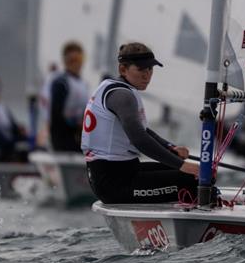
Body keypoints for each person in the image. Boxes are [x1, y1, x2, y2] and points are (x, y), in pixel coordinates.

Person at [81, 42, 199, 204]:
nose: (147, 75)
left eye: (150, 69)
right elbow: (139, 140)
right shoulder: (123, 96)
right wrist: (181, 165)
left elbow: (142, 130)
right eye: (141, 69)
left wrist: (171, 147)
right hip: (114, 183)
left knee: (191, 174)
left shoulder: (112, 88)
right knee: (194, 181)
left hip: (121, 173)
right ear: (123, 69)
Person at [49, 41, 89, 152]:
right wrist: (74, 126)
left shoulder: (83, 84)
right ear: (66, 61)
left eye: (79, 60)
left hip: (79, 136)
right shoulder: (61, 83)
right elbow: (56, 114)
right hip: (63, 137)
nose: (76, 64)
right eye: (72, 61)